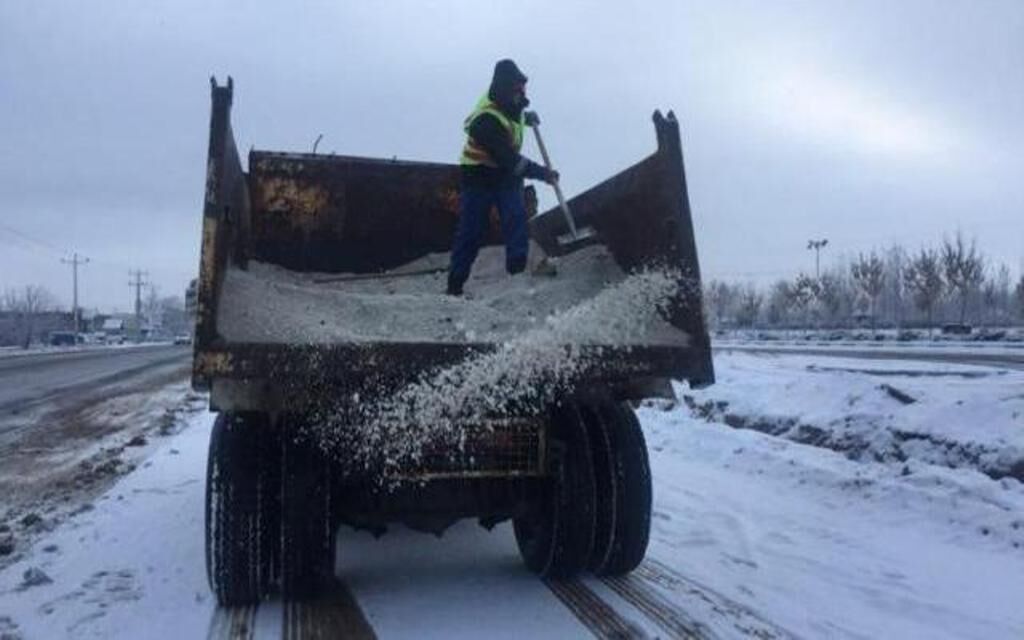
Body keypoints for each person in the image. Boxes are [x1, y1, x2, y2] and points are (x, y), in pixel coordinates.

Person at [447, 59, 558, 296]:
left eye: (523, 90)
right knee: (471, 230)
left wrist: (526, 117)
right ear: (505, 88)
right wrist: (543, 174)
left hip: (505, 173)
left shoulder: (509, 101)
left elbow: (512, 116)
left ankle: (516, 275)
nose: (521, 94)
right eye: (517, 90)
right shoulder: (485, 121)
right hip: (479, 174)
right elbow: (511, 160)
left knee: (515, 217)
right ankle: (454, 286)